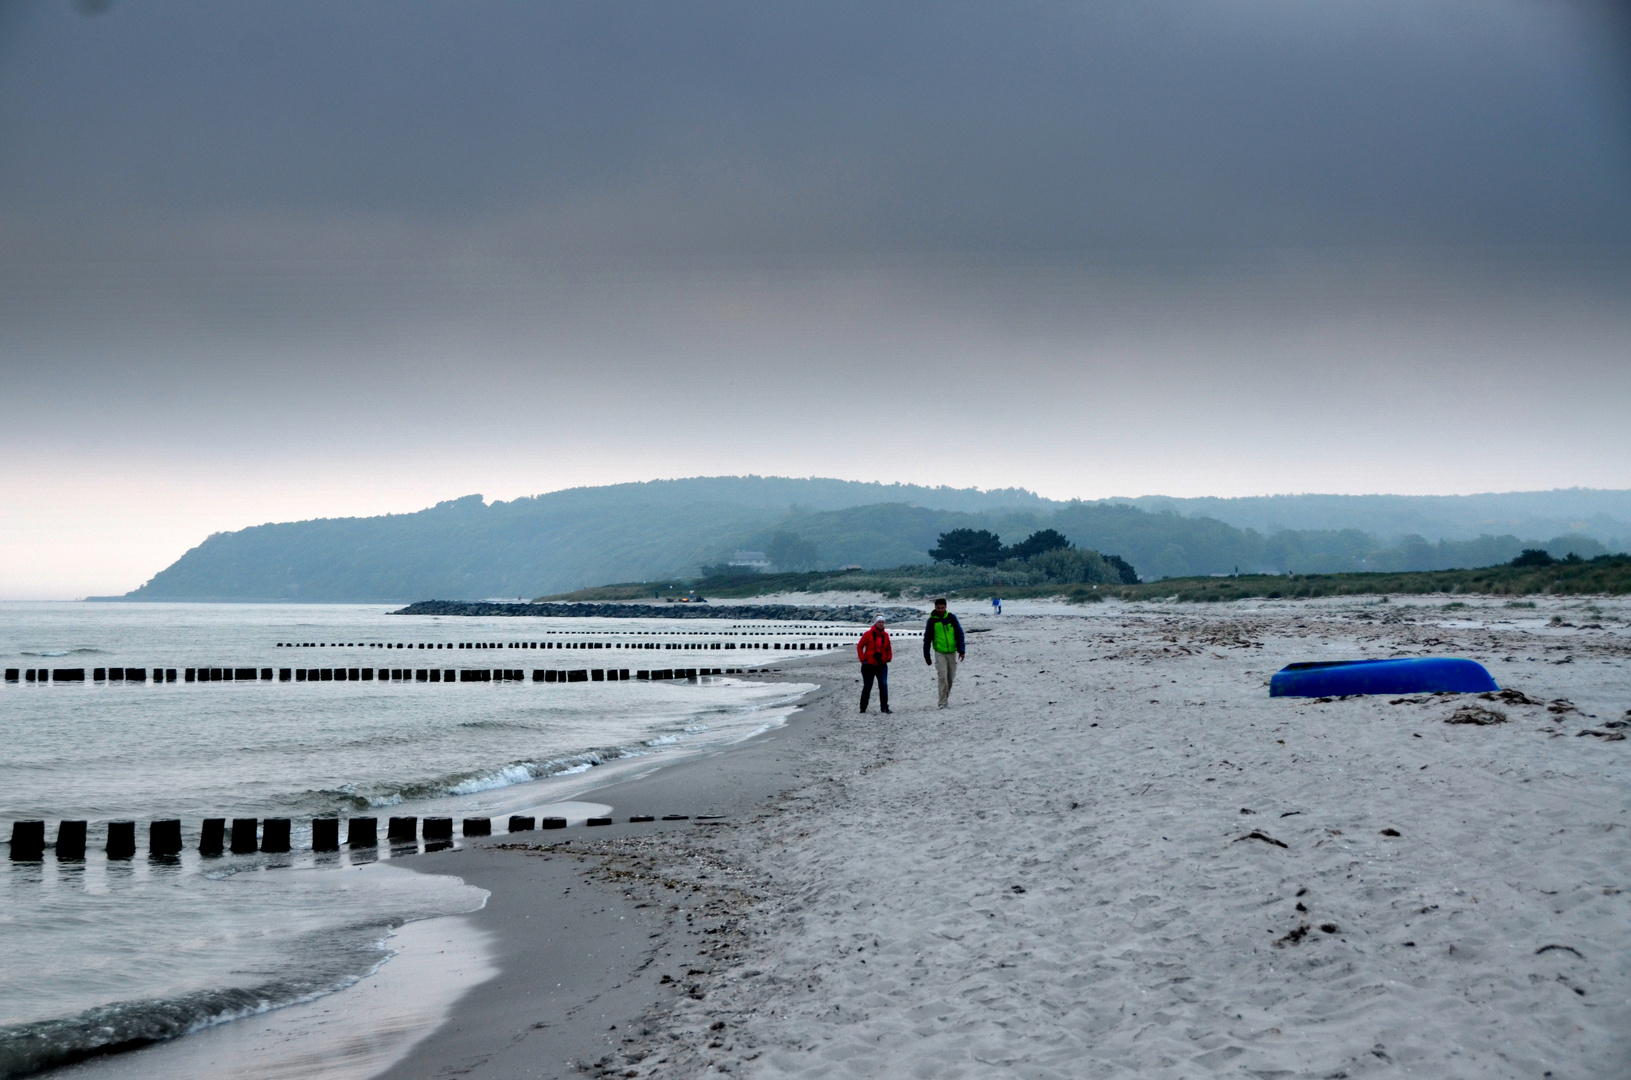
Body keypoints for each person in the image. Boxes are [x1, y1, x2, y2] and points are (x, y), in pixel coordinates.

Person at [922, 598, 965, 708]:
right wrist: (927, 655)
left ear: (945, 607)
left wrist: (962, 650)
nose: (940, 610)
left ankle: (945, 698)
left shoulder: (951, 618)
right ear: (935, 608)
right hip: (939, 652)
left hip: (952, 652)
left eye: (942, 608)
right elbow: (927, 639)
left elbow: (960, 633)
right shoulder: (932, 621)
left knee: (950, 678)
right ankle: (942, 703)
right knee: (942, 677)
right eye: (938, 608)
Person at [856, 615, 892, 713]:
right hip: (868, 665)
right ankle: (863, 708)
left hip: (881, 664)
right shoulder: (868, 634)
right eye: (879, 622)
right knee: (867, 686)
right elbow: (860, 646)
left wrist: (888, 657)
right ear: (875, 623)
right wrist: (863, 659)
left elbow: (888, 648)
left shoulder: (885, 635)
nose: (881, 624)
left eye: (882, 622)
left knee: (883, 685)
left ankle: (884, 707)